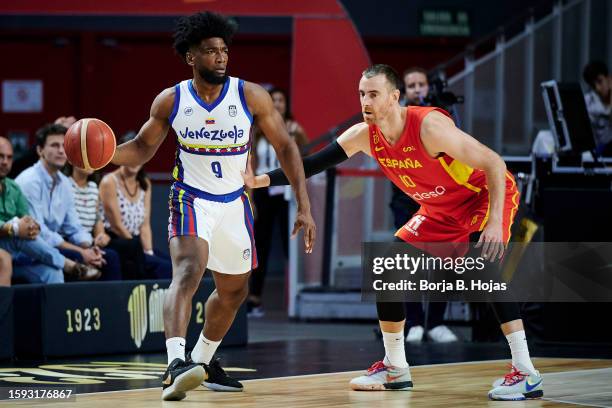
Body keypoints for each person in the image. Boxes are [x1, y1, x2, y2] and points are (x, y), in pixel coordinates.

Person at [243, 64, 542, 401]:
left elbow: (493, 163)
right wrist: (259, 181)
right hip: (440, 209)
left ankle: (526, 371)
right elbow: (310, 163)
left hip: (482, 196)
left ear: (394, 97)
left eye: (373, 94)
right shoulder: (363, 135)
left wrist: (494, 222)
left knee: (484, 267)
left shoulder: (430, 127)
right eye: (361, 94)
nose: (365, 101)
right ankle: (395, 367)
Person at [105, 12, 315, 401]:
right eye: (210, 51)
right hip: (191, 197)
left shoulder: (250, 95)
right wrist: (103, 154)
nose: (220, 57)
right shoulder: (172, 99)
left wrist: (304, 203)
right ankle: (174, 364)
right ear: (191, 57)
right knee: (187, 270)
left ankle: (202, 362)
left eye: (224, 50)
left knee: (234, 290)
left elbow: (286, 147)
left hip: (235, 202)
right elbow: (142, 147)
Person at [393, 67, 458, 344]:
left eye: (421, 83)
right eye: (412, 85)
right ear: (403, 92)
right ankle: (415, 322)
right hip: (407, 200)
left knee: (444, 260)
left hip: (441, 201)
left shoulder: (440, 116)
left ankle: (437, 322)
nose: (417, 88)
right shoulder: (398, 117)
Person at [15, 124, 120, 281]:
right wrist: (81, 252)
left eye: (64, 146)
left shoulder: (64, 183)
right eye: (54, 145)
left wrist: (90, 247)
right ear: (40, 150)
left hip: (55, 246)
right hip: (29, 250)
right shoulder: (29, 181)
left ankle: (109, 305)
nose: (61, 150)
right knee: (78, 256)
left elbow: (74, 226)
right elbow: (39, 232)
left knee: (108, 257)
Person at [0, 136, 99, 283]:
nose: (5, 162)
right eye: (1, 157)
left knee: (53, 273)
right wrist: (14, 228)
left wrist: (31, 227)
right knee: (18, 237)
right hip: (10, 245)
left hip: (21, 252)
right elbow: (18, 229)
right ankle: (67, 264)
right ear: (40, 150)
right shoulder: (28, 180)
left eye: (9, 157)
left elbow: (28, 219)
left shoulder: (13, 187)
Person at [248, 87, 309, 317]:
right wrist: (251, 198)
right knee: (260, 244)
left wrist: (300, 135)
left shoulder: (292, 127)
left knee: (290, 245)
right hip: (264, 190)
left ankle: (294, 297)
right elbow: (251, 164)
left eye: (281, 99)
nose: (277, 103)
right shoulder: (259, 129)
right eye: (274, 100)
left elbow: (306, 153)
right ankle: (254, 300)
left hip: (286, 193)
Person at [99, 131, 172, 280]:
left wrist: (149, 252)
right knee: (160, 267)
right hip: (116, 241)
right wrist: (141, 252)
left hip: (136, 243)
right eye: (130, 155)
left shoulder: (145, 183)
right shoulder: (109, 182)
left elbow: (144, 226)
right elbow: (116, 226)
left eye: (138, 155)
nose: (134, 160)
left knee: (173, 266)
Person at [582, 60, 612, 156]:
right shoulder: (588, 102)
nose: (598, 88)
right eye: (593, 85)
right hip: (597, 152)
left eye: (600, 81)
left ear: (609, 79)